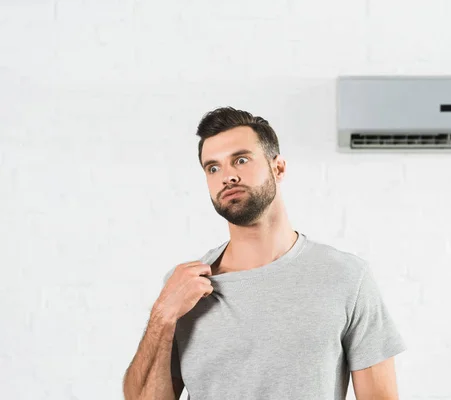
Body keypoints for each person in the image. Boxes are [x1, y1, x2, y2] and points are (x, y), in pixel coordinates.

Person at [123, 107, 407, 400]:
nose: (227, 176)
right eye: (213, 168)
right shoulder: (185, 287)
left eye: (241, 160)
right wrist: (162, 315)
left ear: (278, 168)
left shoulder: (346, 277)